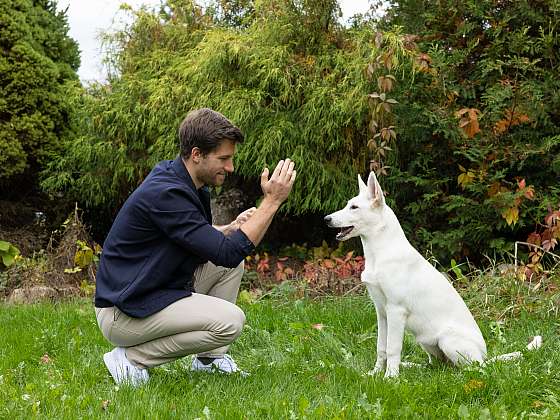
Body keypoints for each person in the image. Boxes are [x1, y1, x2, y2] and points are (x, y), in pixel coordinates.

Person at [94, 108, 296, 386]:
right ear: (197, 154)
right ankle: (131, 359)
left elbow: (187, 233)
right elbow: (228, 252)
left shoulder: (185, 180)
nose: (230, 167)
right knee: (231, 322)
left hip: (152, 290)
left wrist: (227, 230)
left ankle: (209, 361)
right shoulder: (166, 192)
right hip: (124, 312)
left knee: (231, 267)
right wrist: (272, 201)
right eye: (223, 159)